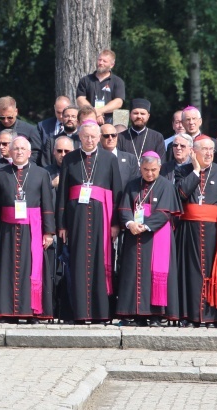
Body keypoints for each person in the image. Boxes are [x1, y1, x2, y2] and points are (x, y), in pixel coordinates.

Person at [56, 120, 123, 322]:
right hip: (76, 220)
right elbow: (62, 194)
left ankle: (101, 312)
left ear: (99, 137)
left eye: (94, 136)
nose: (90, 140)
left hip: (102, 220)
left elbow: (117, 192)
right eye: (86, 136)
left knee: (100, 263)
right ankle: (80, 312)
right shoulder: (70, 159)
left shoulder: (109, 159)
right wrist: (62, 224)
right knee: (77, 263)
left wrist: (115, 223)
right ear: (80, 137)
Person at [0, 137, 55, 323]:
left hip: (32, 230)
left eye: (22, 149)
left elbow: (47, 204)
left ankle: (32, 312)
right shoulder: (0, 173)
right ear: (10, 152)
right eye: (15, 148)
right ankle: (7, 311)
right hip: (7, 230)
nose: (18, 151)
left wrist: (48, 232)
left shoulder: (41, 173)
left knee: (31, 269)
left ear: (29, 152)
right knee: (7, 269)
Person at [116, 152, 181, 326]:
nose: (150, 173)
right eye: (146, 170)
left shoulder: (166, 186)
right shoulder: (132, 185)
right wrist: (130, 223)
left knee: (155, 274)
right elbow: (124, 208)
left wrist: (144, 226)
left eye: (153, 170)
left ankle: (156, 315)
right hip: (134, 236)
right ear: (140, 168)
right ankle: (135, 313)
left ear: (159, 167)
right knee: (133, 274)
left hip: (156, 236)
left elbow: (164, 213)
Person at [175, 135, 217, 327]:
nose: (208, 153)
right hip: (189, 229)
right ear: (193, 152)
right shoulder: (182, 170)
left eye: (210, 150)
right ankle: (189, 315)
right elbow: (181, 194)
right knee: (189, 272)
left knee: (211, 271)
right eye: (203, 149)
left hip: (214, 230)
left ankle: (211, 316)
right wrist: (196, 172)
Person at [0, 96, 42, 162]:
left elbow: (36, 154)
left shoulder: (30, 130)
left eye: (9, 117)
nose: (6, 121)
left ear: (16, 111)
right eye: (2, 118)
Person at [76, 49, 125, 125]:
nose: (101, 63)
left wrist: (100, 111)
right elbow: (80, 99)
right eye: (99, 60)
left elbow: (118, 102)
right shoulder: (85, 80)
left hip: (110, 122)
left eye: (104, 61)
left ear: (112, 65)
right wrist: (94, 113)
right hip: (88, 120)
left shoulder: (118, 81)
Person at [100, 123, 139, 191]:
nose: (110, 138)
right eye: (106, 136)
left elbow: (135, 184)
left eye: (113, 135)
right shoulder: (95, 158)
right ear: (99, 137)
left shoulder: (130, 159)